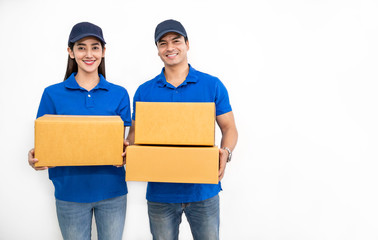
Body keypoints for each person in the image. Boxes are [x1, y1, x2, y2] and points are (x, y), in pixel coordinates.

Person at [126, 19, 238, 240]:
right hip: (161, 194)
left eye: (176, 41)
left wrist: (226, 152)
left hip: (203, 191)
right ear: (157, 50)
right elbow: (135, 137)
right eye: (163, 43)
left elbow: (230, 128)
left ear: (187, 44)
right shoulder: (145, 91)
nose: (170, 48)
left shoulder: (211, 85)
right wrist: (127, 148)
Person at [28, 22, 131, 240]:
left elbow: (121, 145)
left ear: (103, 52)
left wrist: (128, 153)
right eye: (81, 47)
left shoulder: (119, 94)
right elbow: (45, 143)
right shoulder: (52, 94)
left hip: (112, 192)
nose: (89, 53)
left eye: (95, 47)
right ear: (71, 52)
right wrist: (36, 157)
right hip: (69, 193)